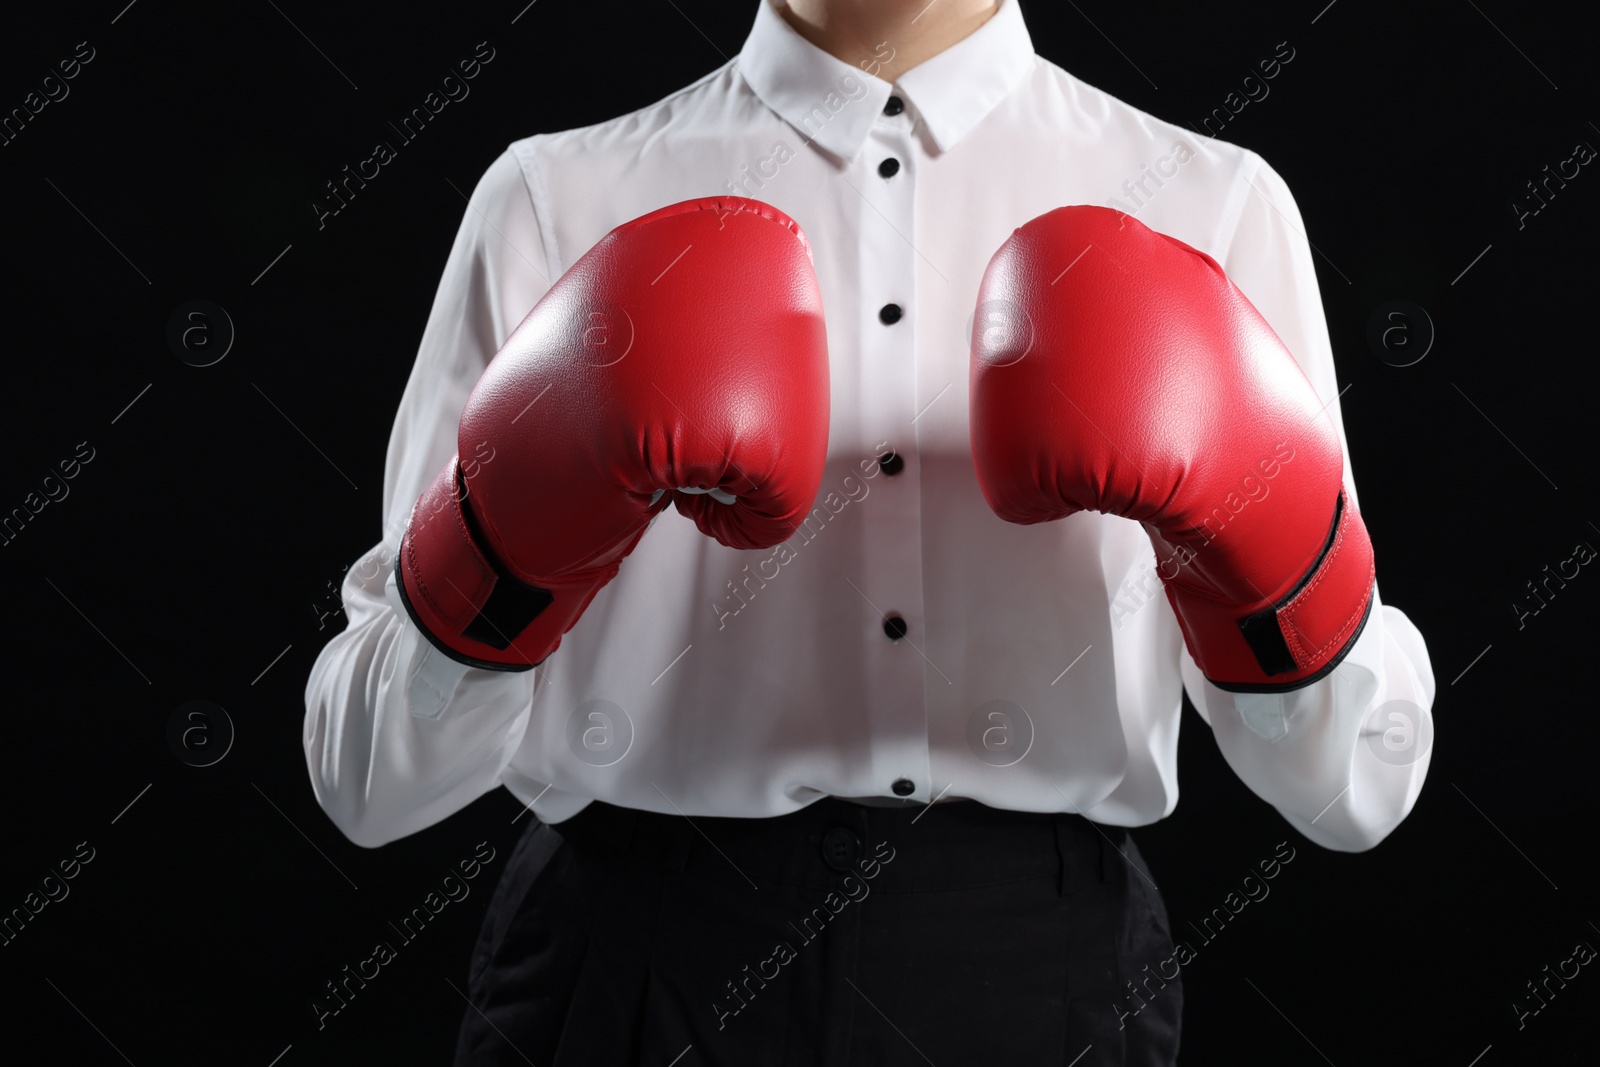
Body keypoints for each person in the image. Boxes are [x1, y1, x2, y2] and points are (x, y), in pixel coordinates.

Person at [302, 1, 1436, 1063]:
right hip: (629, 965)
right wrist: (497, 556)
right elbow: (365, 783)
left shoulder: (1210, 201)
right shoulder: (556, 194)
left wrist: (1272, 574)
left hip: (1041, 975)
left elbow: (1352, 791)